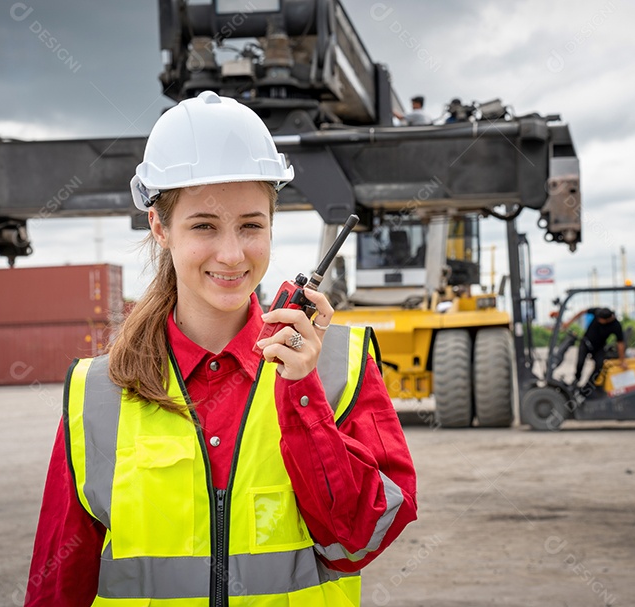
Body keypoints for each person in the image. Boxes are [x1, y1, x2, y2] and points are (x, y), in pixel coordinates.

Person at [23, 91, 418, 606]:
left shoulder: (339, 367)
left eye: (251, 225)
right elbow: (59, 583)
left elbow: (360, 538)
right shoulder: (97, 393)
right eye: (204, 226)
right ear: (160, 227)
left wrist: (303, 399)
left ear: (272, 224)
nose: (231, 254)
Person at [562, 307, 627, 394]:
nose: (598, 319)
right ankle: (576, 381)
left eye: (600, 319)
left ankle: (588, 387)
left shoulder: (616, 325)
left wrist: (622, 360)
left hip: (599, 347)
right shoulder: (598, 312)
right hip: (586, 342)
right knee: (580, 362)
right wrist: (568, 322)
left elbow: (620, 343)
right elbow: (582, 311)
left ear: (607, 319)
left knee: (600, 365)